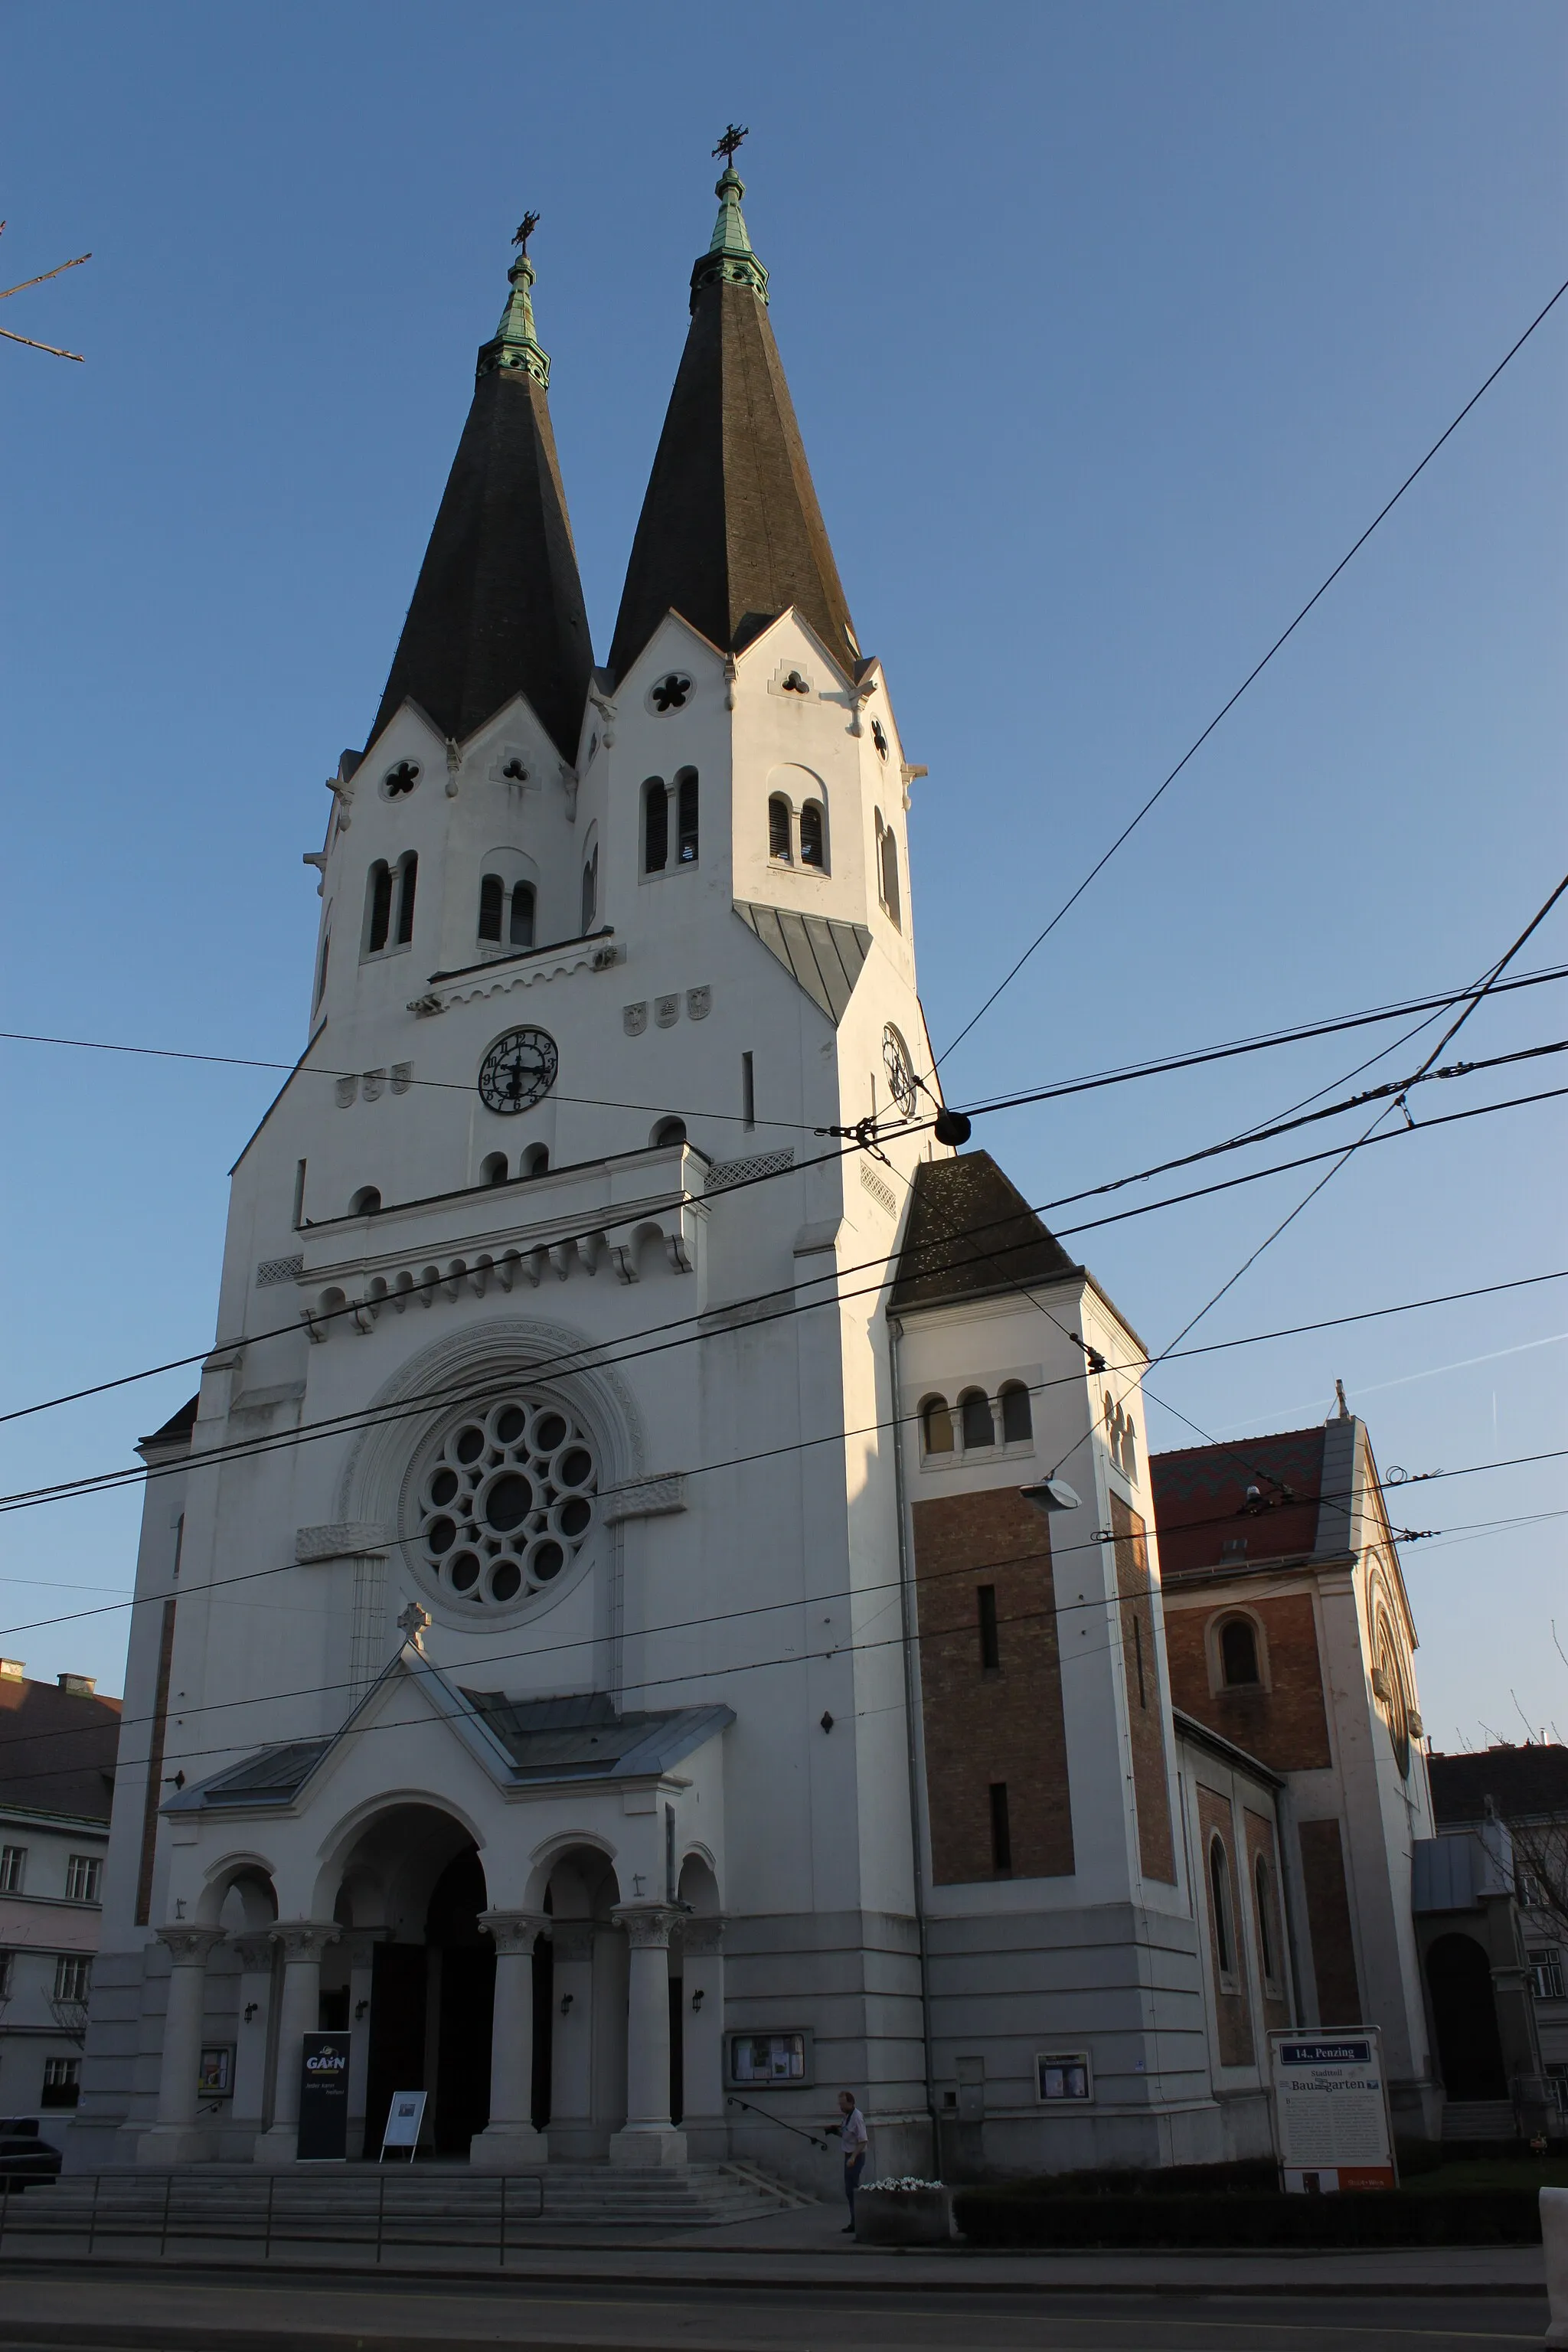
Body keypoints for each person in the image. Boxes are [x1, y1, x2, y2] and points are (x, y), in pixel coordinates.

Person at [831, 2089, 868, 2232]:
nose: (841, 2107)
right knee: (850, 2190)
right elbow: (847, 2135)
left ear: (851, 2103)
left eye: (843, 2104)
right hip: (849, 2154)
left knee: (852, 2189)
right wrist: (835, 2132)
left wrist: (853, 2158)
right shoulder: (847, 2116)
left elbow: (863, 2140)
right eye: (839, 2104)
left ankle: (857, 2222)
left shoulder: (857, 2117)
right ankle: (855, 2221)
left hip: (856, 2156)